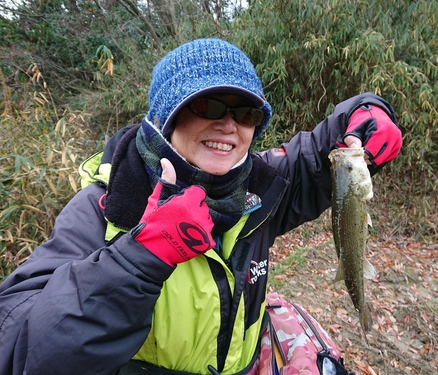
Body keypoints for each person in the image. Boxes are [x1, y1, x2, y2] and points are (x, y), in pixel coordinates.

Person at [0, 38, 402, 375]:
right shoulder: (104, 206)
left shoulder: (260, 188)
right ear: (166, 118)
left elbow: (316, 153)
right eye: (208, 106)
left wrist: (367, 111)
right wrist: (139, 259)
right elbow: (17, 347)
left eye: (245, 113)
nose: (228, 125)